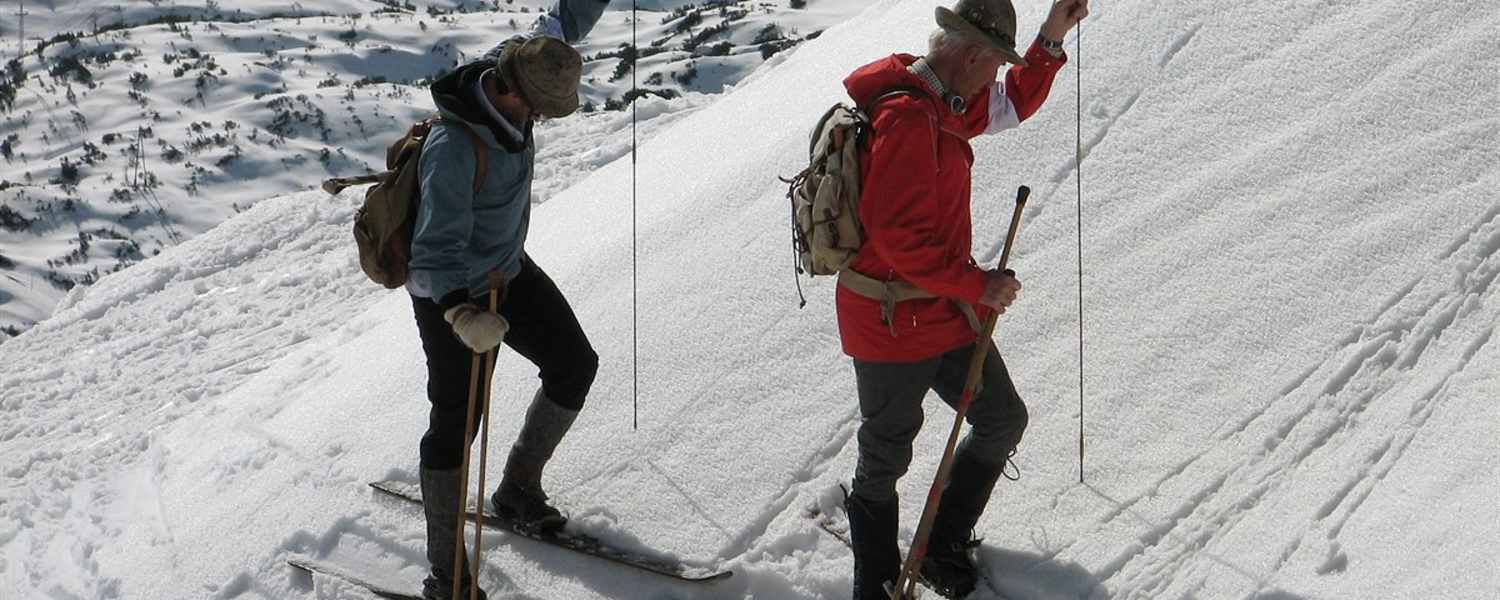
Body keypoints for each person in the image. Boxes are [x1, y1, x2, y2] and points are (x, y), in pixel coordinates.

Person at [834, 0, 1087, 598]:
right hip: (890, 319)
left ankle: (941, 546)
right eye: (994, 62)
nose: (994, 76)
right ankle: (875, 587)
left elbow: (1012, 103)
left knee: (1001, 418)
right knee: (885, 458)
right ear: (971, 55)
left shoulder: (944, 104)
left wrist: (1052, 35)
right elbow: (898, 242)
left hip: (942, 311)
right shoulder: (907, 118)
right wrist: (980, 286)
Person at [404, 2, 608, 598]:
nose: (544, 117)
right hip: (450, 289)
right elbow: (431, 253)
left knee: (574, 365)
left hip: (506, 270)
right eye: (542, 108)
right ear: (514, 93)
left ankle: (517, 489)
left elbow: (562, 23)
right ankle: (448, 575)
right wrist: (464, 314)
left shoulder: (519, 65)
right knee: (458, 422)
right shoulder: (454, 149)